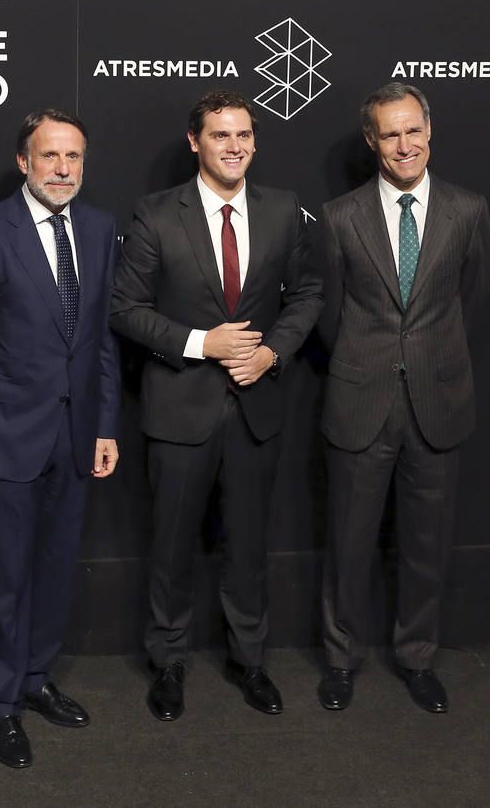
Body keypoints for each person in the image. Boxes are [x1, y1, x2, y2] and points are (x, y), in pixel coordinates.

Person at [110, 90, 322, 721]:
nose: (235, 147)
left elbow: (308, 294)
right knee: (172, 546)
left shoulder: (283, 210)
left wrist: (272, 354)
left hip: (257, 408)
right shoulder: (155, 214)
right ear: (195, 141)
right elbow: (126, 310)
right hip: (179, 409)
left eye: (245, 135)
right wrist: (205, 343)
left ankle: (249, 660)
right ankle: (168, 661)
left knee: (250, 546)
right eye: (221, 135)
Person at [0, 109, 120, 767]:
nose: (63, 169)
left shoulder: (101, 230)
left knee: (53, 572)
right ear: (24, 162)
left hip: (75, 438)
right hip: (6, 440)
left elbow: (100, 338)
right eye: (49, 156)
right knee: (5, 580)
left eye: (73, 157)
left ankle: (36, 679)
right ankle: (0, 705)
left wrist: (105, 425)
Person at [318, 82, 490, 713]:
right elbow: (329, 313)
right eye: (389, 134)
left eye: (412, 130)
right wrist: (372, 361)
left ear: (429, 130)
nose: (403, 145)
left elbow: (470, 300)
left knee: (427, 544)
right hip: (361, 400)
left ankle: (417, 658)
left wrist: (426, 359)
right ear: (372, 141)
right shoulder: (340, 217)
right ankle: (340, 660)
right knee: (349, 542)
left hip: (437, 401)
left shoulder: (469, 210)